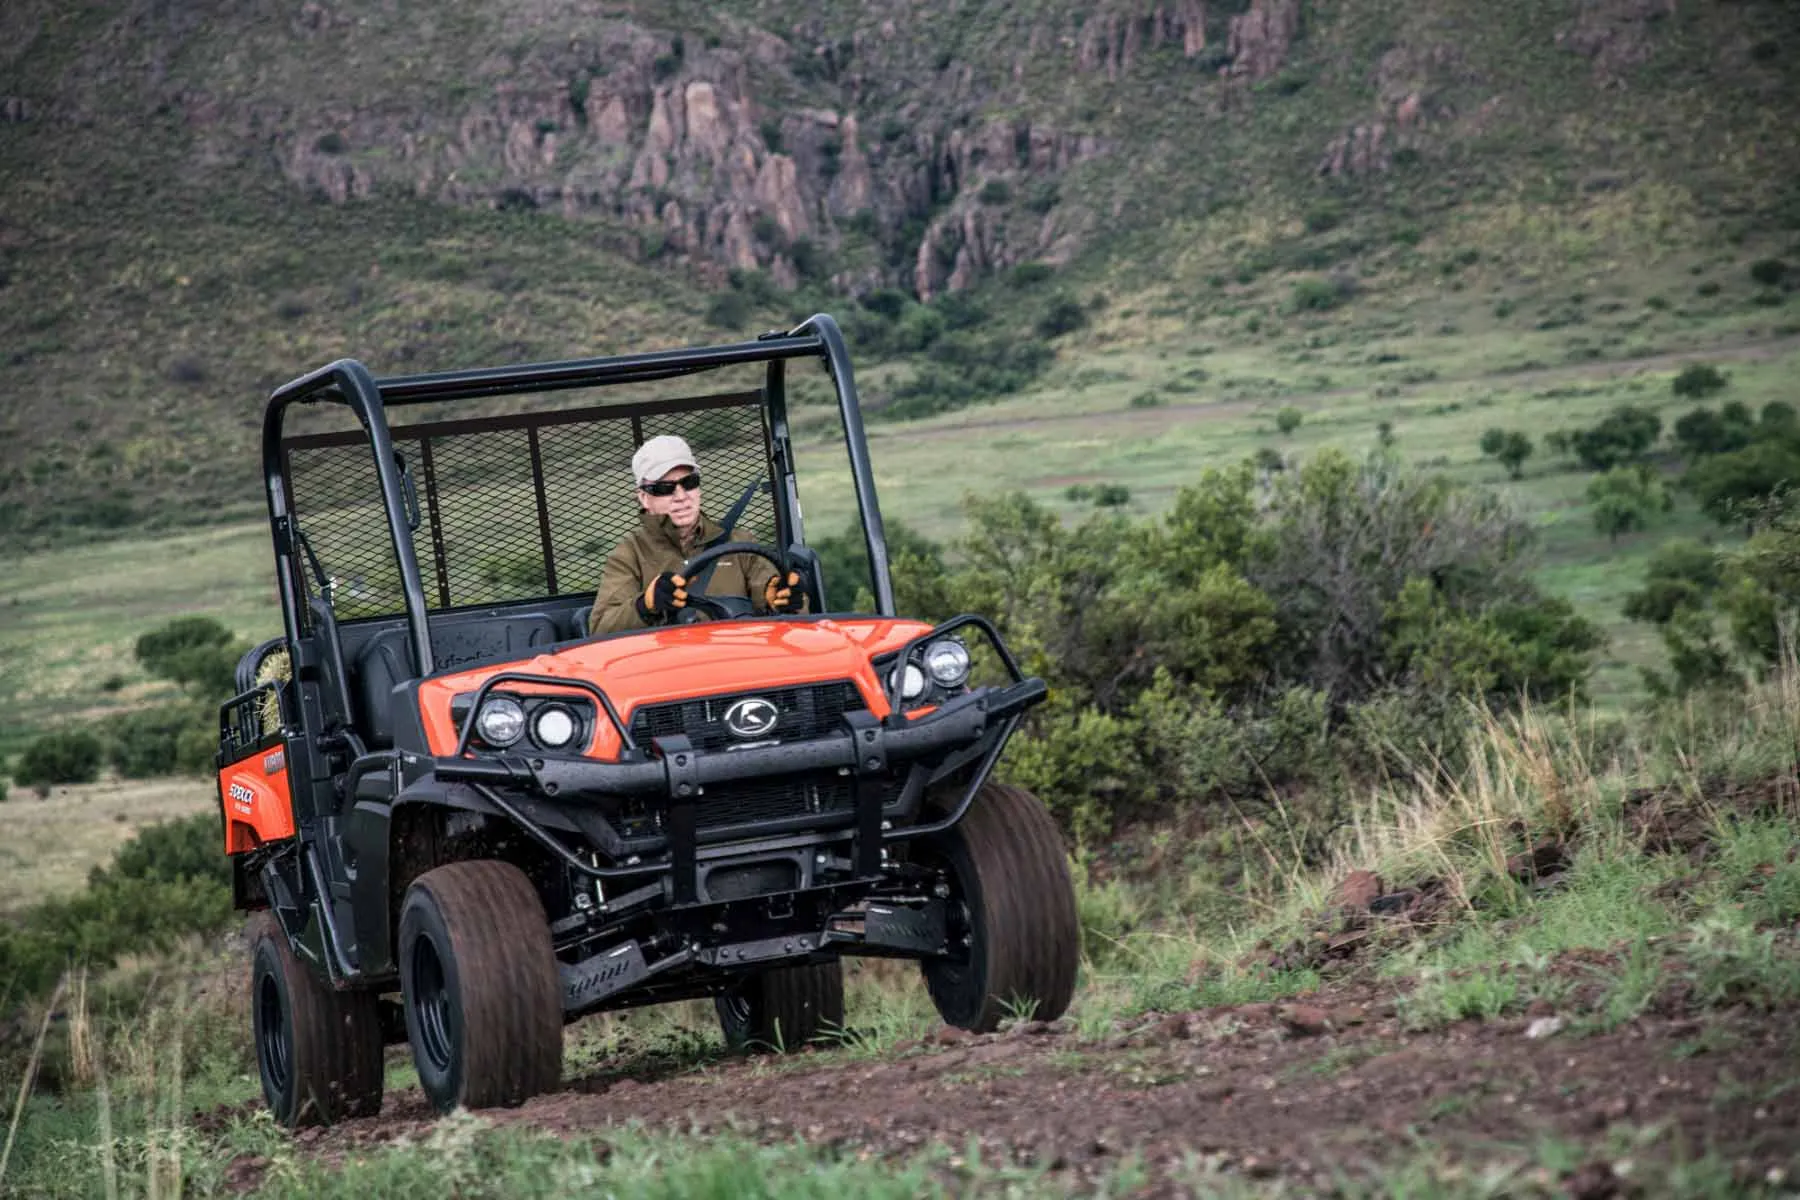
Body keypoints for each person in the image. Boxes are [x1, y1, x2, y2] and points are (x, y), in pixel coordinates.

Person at [588, 435, 804, 634]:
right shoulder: (629, 554)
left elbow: (783, 601)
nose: (681, 496)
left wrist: (779, 598)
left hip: (738, 661)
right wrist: (645, 605)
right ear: (644, 498)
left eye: (689, 483)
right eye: (665, 488)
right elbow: (600, 628)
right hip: (667, 668)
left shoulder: (740, 543)